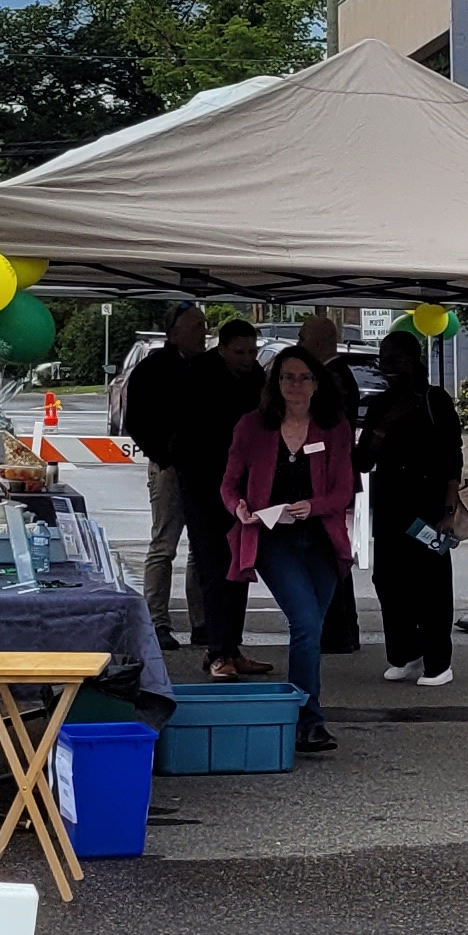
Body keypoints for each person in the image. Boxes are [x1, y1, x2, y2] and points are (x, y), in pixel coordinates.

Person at [219, 344, 357, 755]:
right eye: (287, 377)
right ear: (274, 383)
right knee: (306, 623)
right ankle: (308, 720)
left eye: (303, 377)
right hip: (273, 538)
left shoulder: (334, 428)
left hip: (321, 539)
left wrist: (313, 506)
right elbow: (229, 484)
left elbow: (344, 490)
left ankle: (303, 716)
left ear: (317, 384)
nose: (295, 385)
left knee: (311, 628)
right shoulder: (252, 426)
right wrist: (239, 506)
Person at [361, 327, 464, 688]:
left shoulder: (436, 400)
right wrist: (380, 432)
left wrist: (450, 510)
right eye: (383, 360)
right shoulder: (380, 405)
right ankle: (404, 652)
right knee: (388, 579)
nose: (388, 367)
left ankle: (439, 661)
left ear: (413, 360)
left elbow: (453, 456)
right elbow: (361, 461)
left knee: (431, 583)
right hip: (390, 505)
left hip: (430, 504)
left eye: (395, 360)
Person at [116, 304, 210, 642]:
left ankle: (202, 622)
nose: (203, 332)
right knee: (164, 545)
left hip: (202, 469)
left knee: (201, 547)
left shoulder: (206, 368)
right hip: (169, 468)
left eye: (204, 325)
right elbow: (136, 422)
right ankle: (157, 621)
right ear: (175, 331)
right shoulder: (152, 369)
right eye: (196, 325)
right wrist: (164, 458)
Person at [181, 317, 265, 677]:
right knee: (214, 567)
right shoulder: (198, 373)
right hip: (203, 483)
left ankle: (232, 646)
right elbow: (181, 426)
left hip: (243, 487)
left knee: (239, 567)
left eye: (251, 351)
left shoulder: (256, 377)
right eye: (239, 352)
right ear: (222, 347)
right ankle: (217, 651)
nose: (247, 359)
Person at [292, 311, 366, 657]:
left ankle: (337, 629)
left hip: (327, 481)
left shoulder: (332, 379)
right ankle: (338, 628)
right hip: (329, 478)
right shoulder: (337, 376)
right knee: (326, 552)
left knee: (327, 552)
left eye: (303, 339)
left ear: (318, 343)